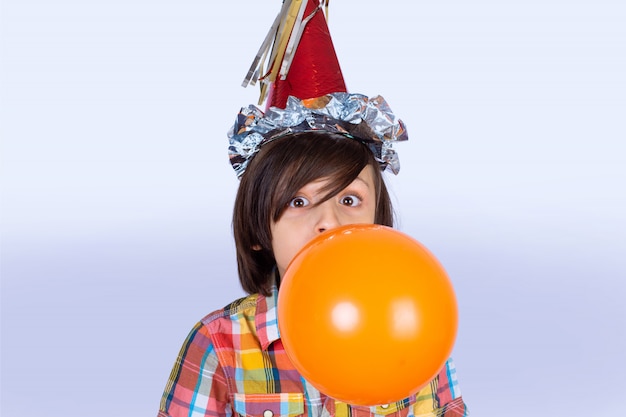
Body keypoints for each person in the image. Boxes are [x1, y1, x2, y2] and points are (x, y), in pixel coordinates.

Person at [157, 94, 469, 417]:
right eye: (298, 201)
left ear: (378, 221)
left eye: (349, 200)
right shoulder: (219, 346)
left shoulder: (417, 333)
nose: (329, 222)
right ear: (258, 229)